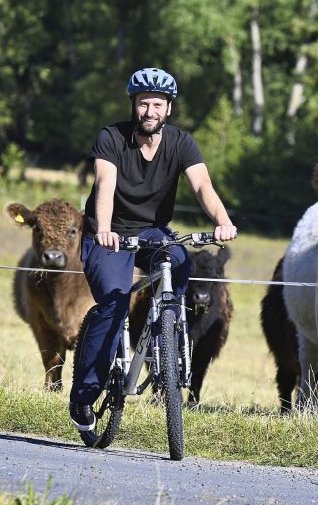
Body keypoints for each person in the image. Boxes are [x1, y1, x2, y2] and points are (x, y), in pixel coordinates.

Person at [69, 67, 238, 435]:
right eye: (144, 103)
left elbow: (203, 185)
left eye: (157, 105)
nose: (150, 111)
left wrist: (222, 221)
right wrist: (103, 229)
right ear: (134, 105)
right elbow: (104, 183)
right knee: (112, 305)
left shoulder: (181, 143)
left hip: (152, 233)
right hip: (108, 232)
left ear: (168, 109)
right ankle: (84, 396)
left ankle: (168, 337)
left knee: (179, 261)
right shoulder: (111, 137)